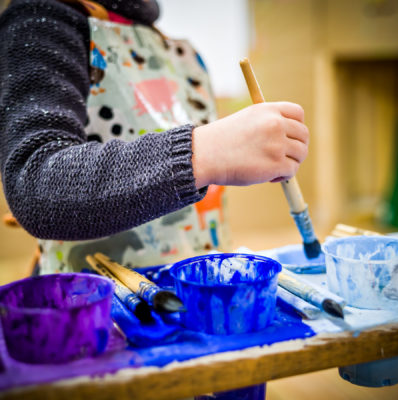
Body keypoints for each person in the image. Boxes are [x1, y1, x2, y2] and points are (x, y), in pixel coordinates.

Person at [0, 0, 309, 274]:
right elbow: (34, 180)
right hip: (100, 316)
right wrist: (203, 152)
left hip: (196, 298)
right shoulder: (40, 20)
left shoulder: (173, 49)